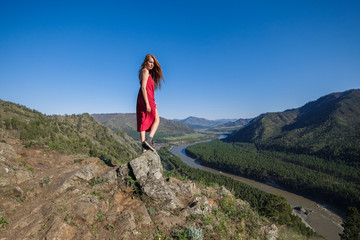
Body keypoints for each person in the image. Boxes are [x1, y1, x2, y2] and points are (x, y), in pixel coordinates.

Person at [136, 54, 164, 152]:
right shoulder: (145, 71)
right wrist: (148, 103)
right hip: (146, 99)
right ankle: (149, 140)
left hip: (146, 98)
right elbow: (143, 88)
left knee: (143, 120)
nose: (152, 64)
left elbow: (148, 89)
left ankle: (144, 146)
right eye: (150, 62)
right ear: (145, 62)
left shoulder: (143, 72)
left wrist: (153, 101)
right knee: (156, 119)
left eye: (153, 63)